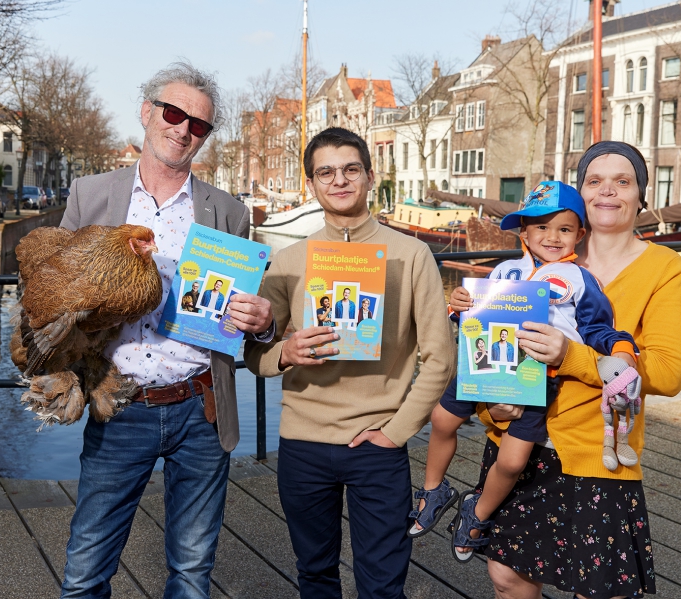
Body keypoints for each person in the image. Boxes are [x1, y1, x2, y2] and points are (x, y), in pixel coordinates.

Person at [58, 61, 275, 599]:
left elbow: (246, 321)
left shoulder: (228, 212)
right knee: (85, 573)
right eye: (174, 113)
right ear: (147, 111)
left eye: (198, 124)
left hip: (201, 408)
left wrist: (263, 324)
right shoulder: (91, 195)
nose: (183, 129)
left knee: (193, 574)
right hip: (120, 403)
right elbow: (51, 286)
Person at [244, 127, 456, 599]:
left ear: (369, 176)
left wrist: (395, 432)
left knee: (382, 584)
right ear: (312, 185)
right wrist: (285, 352)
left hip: (378, 444)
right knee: (315, 574)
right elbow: (255, 355)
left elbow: (440, 360)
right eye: (326, 172)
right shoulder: (288, 261)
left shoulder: (413, 255)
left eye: (350, 169)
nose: (339, 180)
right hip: (302, 444)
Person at [480, 143, 681, 599]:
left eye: (623, 181)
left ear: (641, 196)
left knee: (600, 590)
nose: (608, 192)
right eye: (594, 181)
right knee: (508, 577)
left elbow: (671, 371)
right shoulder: (539, 259)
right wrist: (489, 410)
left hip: (597, 451)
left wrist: (569, 356)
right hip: (520, 440)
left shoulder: (662, 268)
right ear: (579, 195)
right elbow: (493, 348)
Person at [408, 181, 637, 561]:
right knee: (441, 420)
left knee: (512, 461)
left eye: (564, 229)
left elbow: (598, 326)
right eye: (541, 227)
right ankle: (434, 489)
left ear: (579, 234)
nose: (552, 237)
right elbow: (473, 317)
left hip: (536, 376)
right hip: (483, 363)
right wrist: (459, 305)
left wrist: (621, 346)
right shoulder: (504, 271)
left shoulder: (582, 279)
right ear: (524, 233)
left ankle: (477, 511)